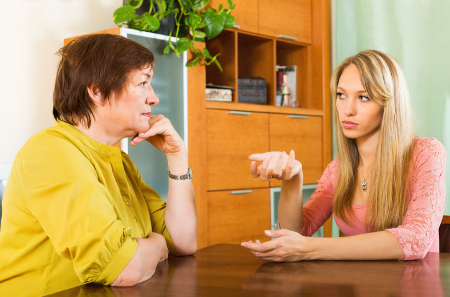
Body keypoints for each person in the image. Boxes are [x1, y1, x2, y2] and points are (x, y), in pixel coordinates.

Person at [0, 34, 197, 296]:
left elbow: (184, 242)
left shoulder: (120, 162)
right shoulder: (52, 152)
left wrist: (177, 156)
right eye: (143, 83)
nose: (153, 98)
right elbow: (124, 268)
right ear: (97, 91)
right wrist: (158, 245)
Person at [241, 50, 446, 261]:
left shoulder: (426, 154)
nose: (347, 110)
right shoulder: (338, 169)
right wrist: (292, 179)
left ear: (389, 104)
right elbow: (298, 234)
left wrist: (310, 248)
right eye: (341, 95)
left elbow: (416, 239)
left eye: (363, 97)